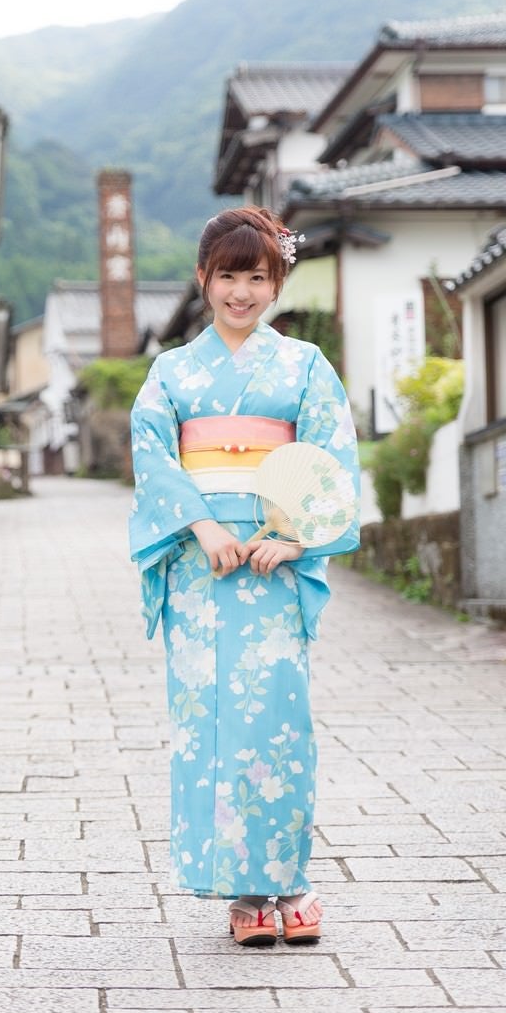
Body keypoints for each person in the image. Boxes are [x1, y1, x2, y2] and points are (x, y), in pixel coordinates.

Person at [129, 205, 360, 947]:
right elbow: (154, 456)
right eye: (227, 275)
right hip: (203, 572)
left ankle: (289, 882)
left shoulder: (303, 367)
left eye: (256, 277)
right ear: (204, 278)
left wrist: (293, 537)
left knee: (278, 722)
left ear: (277, 281)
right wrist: (200, 524)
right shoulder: (172, 372)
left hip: (271, 565)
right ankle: (240, 894)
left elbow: (332, 458)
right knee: (210, 726)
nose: (241, 292)